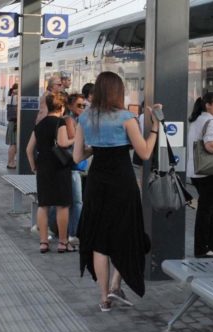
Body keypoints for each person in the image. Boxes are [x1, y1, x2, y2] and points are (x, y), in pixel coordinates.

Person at [72, 71, 159, 312]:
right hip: (122, 183)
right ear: (117, 92)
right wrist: (155, 129)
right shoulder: (126, 118)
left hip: (97, 182)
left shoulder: (85, 118)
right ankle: (114, 284)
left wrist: (98, 148)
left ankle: (104, 299)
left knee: (100, 242)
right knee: (127, 232)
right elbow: (144, 153)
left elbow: (77, 156)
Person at [26, 92, 76, 254]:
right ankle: (62, 242)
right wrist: (76, 139)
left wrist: (34, 166)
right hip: (59, 167)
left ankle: (43, 242)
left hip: (43, 167)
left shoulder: (39, 124)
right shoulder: (60, 122)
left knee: (44, 205)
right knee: (62, 205)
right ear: (61, 107)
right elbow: (62, 143)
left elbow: (29, 150)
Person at [186, 92, 213, 258]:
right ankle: (201, 248)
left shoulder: (198, 119)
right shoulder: (211, 122)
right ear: (208, 105)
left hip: (196, 171)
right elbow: (211, 146)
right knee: (206, 209)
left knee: (210, 208)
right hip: (209, 172)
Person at [65, 93, 88, 245]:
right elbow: (75, 141)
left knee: (70, 201)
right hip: (72, 166)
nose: (82, 108)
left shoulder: (79, 120)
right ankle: (74, 233)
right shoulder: (69, 120)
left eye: (84, 106)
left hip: (77, 166)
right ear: (70, 106)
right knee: (76, 202)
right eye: (79, 105)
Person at [6, 83, 19, 169]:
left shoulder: (10, 97)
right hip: (15, 123)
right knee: (13, 144)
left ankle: (11, 161)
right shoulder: (16, 97)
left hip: (11, 122)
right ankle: (11, 162)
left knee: (13, 144)